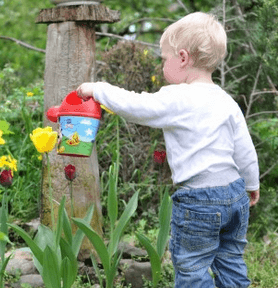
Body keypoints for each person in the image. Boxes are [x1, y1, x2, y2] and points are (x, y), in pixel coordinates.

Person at [76, 11, 259, 288]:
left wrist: (97, 89)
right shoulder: (225, 100)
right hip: (234, 194)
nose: (162, 66)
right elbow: (244, 148)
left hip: (199, 200)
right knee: (231, 261)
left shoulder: (177, 97)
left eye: (164, 59)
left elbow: (135, 106)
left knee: (193, 268)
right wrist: (252, 183)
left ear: (183, 58)